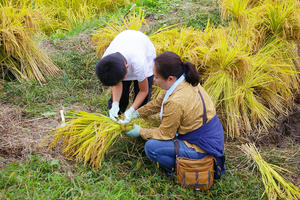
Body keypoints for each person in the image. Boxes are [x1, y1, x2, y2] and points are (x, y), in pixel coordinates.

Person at [124, 51, 225, 177]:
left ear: (170, 78)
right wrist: (136, 113)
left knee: (151, 148)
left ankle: (188, 170)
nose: (154, 81)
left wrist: (140, 131)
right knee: (158, 122)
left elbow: (165, 134)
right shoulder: (183, 81)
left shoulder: (175, 102)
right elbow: (158, 103)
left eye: (156, 77)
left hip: (201, 147)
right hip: (212, 136)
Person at [95, 30, 156, 123]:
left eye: (121, 79)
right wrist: (115, 104)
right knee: (121, 98)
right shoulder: (107, 61)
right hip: (125, 42)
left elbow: (143, 91)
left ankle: (139, 123)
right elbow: (116, 83)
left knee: (141, 102)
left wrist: (132, 110)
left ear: (127, 68)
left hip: (144, 51)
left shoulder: (139, 63)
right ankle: (115, 119)